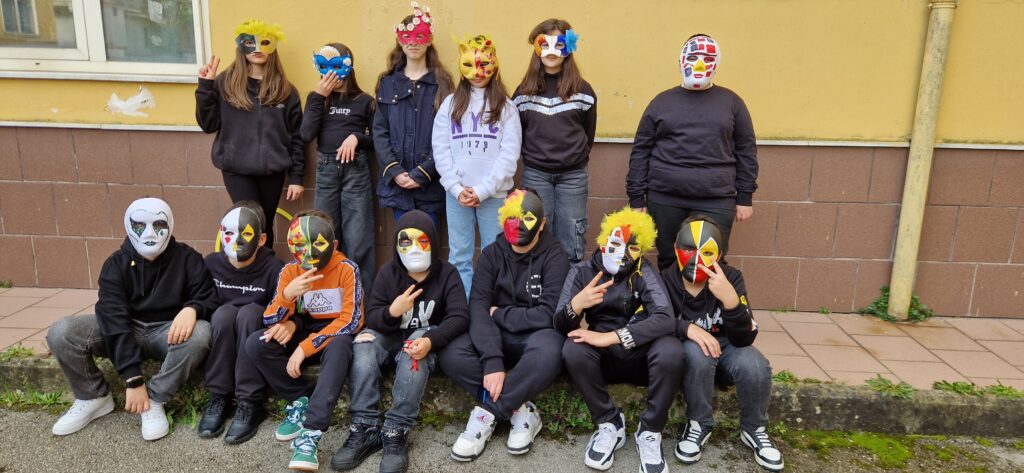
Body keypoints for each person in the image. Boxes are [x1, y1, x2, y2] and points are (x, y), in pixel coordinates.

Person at [47, 197, 216, 441]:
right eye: (140, 226)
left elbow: (209, 296)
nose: (150, 233)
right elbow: (113, 320)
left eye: (159, 225)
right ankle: (93, 396)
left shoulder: (188, 259)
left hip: (167, 331)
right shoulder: (115, 265)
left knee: (200, 333)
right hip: (127, 327)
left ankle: (155, 400)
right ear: (129, 226)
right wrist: (133, 379)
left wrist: (193, 309)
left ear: (170, 224)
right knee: (61, 332)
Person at [331, 210, 469, 473]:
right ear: (396, 245)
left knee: (415, 345)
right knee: (363, 343)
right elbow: (372, 316)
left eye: (422, 241)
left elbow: (460, 316)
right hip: (390, 336)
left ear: (433, 243)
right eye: (405, 242)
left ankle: (396, 430)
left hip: (423, 343)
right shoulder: (388, 273)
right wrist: (393, 311)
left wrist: (431, 339)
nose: (414, 248)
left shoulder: (447, 274)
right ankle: (365, 426)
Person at [439, 189, 570, 461]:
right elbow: (477, 307)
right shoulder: (491, 254)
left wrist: (499, 313)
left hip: (535, 337)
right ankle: (519, 406)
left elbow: (547, 314)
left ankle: (488, 413)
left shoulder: (555, 256)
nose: (518, 224)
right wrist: (492, 361)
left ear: (542, 223)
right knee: (452, 353)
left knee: (552, 350)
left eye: (528, 218)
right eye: (512, 217)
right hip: (497, 337)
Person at [555, 207, 683, 473]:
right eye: (616, 243)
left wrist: (612, 337)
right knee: (573, 348)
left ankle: (650, 431)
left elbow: (665, 318)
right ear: (603, 241)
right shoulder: (582, 271)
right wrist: (576, 305)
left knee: (671, 349)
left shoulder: (643, 270)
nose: (623, 253)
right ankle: (609, 423)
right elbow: (559, 322)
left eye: (633, 248)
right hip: (604, 361)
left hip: (640, 352)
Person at [243, 210, 364, 471]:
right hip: (303, 328)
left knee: (342, 344)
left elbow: (351, 320)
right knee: (257, 342)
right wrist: (288, 295)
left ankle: (311, 432)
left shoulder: (346, 269)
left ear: (333, 244)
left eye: (317, 243)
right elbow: (269, 318)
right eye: (299, 245)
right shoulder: (290, 271)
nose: (308, 252)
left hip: (334, 335)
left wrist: (304, 348)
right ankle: (301, 398)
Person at [626, 33, 758, 270]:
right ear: (681, 61)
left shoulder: (732, 102)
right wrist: (636, 197)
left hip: (716, 199)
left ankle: (707, 308)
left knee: (711, 260)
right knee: (668, 259)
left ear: (716, 63)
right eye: (693, 57)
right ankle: (669, 308)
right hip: (665, 198)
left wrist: (745, 197)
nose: (699, 64)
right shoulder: (661, 102)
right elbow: (641, 150)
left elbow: (746, 150)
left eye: (707, 59)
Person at [661, 217, 782, 472]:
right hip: (692, 353)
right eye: (688, 249)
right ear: (675, 248)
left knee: (755, 364)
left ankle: (754, 428)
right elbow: (654, 321)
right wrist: (686, 327)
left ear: (720, 254)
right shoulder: (665, 279)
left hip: (729, 347)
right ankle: (699, 424)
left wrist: (730, 301)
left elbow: (745, 338)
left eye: (706, 252)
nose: (696, 258)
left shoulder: (731, 278)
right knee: (696, 351)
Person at [195, 19, 305, 247]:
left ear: (273, 47)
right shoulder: (225, 83)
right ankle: (244, 270)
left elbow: (297, 137)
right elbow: (208, 124)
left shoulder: (286, 90)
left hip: (272, 171)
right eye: (250, 42)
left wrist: (296, 177)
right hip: (237, 169)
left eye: (264, 43)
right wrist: (205, 87)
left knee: (264, 225)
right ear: (241, 47)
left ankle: (265, 274)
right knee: (250, 222)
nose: (257, 49)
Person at [433, 33, 522, 295]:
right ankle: (462, 310)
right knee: (459, 256)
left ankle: (489, 307)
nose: (478, 71)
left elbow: (509, 155)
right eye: (470, 65)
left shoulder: (507, 107)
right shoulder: (450, 104)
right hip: (456, 195)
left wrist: (483, 190)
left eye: (485, 64)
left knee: (494, 255)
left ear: (495, 64)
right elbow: (440, 148)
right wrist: (455, 187)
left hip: (493, 195)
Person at [196, 201, 285, 443]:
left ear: (262, 239)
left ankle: (249, 402)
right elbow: (201, 301)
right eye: (229, 233)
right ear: (221, 233)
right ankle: (219, 396)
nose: (237, 240)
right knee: (224, 314)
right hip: (223, 329)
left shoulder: (274, 267)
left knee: (248, 313)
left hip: (254, 330)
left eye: (246, 234)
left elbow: (280, 310)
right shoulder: (211, 264)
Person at [513, 18, 596, 264]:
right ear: (536, 47)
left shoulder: (584, 90)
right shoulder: (523, 92)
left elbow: (587, 133)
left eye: (559, 44)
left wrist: (574, 159)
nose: (551, 52)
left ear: (568, 48)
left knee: (572, 236)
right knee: (534, 232)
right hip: (536, 174)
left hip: (573, 176)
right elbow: (518, 133)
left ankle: (571, 297)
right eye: (545, 43)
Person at [301, 42, 377, 293]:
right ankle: (324, 294)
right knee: (324, 235)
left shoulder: (364, 101)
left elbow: (378, 139)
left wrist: (358, 138)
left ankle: (361, 299)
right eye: (323, 67)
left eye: (335, 66)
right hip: (326, 171)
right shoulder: (318, 100)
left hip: (355, 171)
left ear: (348, 66)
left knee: (359, 237)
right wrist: (318, 95)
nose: (329, 73)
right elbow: (306, 133)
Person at [373, 2, 455, 228]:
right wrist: (395, 171)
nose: (413, 42)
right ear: (399, 40)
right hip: (398, 186)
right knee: (405, 246)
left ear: (429, 40)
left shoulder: (442, 83)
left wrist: (423, 173)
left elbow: (450, 135)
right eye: (407, 36)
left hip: (431, 185)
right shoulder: (388, 83)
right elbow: (380, 132)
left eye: (419, 36)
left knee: (430, 247)